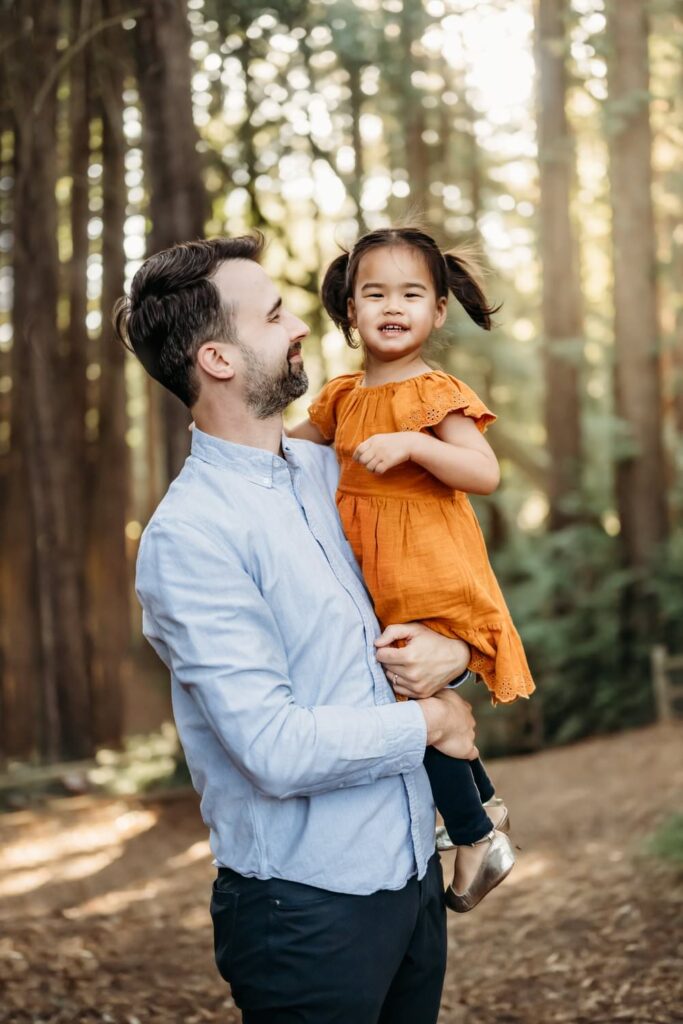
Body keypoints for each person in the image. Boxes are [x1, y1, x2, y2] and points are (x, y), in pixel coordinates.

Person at [114, 234, 483, 1024]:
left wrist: (451, 653)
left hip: (413, 874)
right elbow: (274, 749)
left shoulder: (335, 472)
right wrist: (431, 717)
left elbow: (434, 590)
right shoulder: (191, 537)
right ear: (217, 359)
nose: (302, 326)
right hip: (304, 912)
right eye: (276, 313)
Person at [289, 227, 534, 913]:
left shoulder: (434, 392)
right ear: (348, 311)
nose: (391, 306)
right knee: (410, 703)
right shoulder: (339, 399)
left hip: (432, 579)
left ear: (437, 311)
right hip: (379, 587)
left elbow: (482, 471)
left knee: (412, 703)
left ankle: (474, 834)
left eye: (410, 293)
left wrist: (412, 446)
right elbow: (285, 448)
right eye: (373, 293)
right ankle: (483, 803)